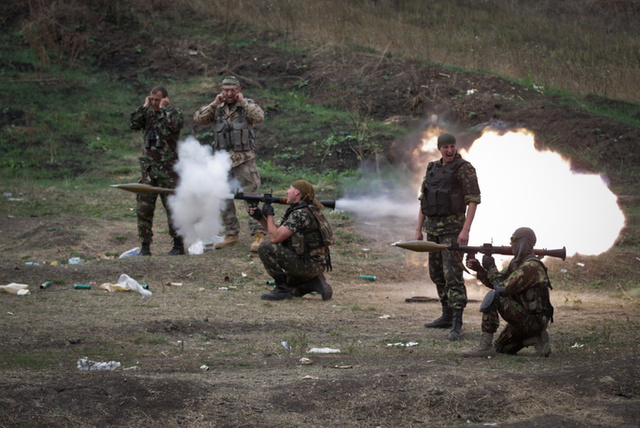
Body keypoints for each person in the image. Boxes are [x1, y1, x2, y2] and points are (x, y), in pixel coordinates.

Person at [415, 132, 480, 340]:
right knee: (437, 274)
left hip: (453, 230)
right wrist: (418, 229)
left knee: (452, 275)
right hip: (432, 229)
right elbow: (423, 200)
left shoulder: (464, 168)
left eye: (452, 146)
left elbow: (473, 200)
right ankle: (446, 314)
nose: (450, 151)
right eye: (446, 147)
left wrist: (465, 230)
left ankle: (457, 322)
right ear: (439, 149)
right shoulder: (432, 168)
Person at [193, 75, 266, 252]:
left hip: (244, 160)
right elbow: (198, 119)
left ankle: (258, 233)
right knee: (223, 196)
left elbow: (260, 116)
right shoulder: (217, 108)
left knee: (251, 197)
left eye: (233, 90)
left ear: (238, 90)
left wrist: (244, 103)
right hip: (222, 161)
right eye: (226, 90)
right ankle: (231, 233)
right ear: (221, 91)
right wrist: (213, 104)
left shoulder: (247, 105)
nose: (229, 93)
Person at [461, 227, 553, 357]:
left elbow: (501, 290)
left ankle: (485, 346)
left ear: (523, 242)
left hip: (534, 320)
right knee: (501, 348)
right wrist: (480, 269)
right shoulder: (517, 264)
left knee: (493, 296)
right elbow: (494, 282)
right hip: (525, 318)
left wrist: (492, 267)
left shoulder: (531, 267)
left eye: (513, 239)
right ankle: (535, 339)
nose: (510, 243)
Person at [249, 180, 334, 301]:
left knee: (265, 247)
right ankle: (312, 283)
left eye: (290, 189)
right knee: (292, 290)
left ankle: (281, 290)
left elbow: (274, 239)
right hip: (315, 263)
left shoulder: (300, 214)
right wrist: (260, 217)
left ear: (297, 192)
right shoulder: (306, 210)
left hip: (308, 264)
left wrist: (270, 216)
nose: (287, 192)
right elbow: (279, 231)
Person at [129, 86, 185, 256]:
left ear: (165, 99)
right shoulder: (148, 114)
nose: (154, 103)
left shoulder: (174, 113)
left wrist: (164, 108)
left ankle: (178, 246)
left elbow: (175, 125)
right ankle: (145, 247)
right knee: (144, 209)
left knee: (173, 209)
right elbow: (133, 124)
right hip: (149, 171)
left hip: (168, 172)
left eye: (157, 100)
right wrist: (145, 106)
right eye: (151, 99)